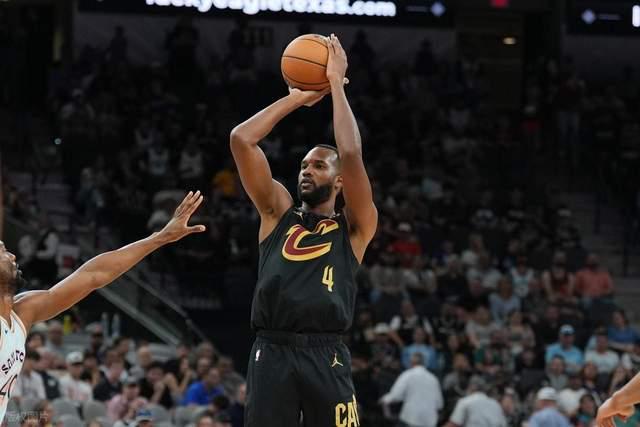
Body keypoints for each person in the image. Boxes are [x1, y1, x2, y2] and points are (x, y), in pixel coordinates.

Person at [230, 34, 377, 427]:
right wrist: (297, 98)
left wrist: (335, 86)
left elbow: (351, 153)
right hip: (271, 349)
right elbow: (242, 139)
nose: (307, 171)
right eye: (303, 165)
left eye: (318, 166)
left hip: (326, 352)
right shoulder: (277, 212)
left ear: (340, 181)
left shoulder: (355, 227)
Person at [0, 191, 205, 423]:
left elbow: (93, 275)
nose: (13, 255)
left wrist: (160, 238)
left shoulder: (23, 311)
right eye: (3, 251)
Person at [380, 352, 443, 427]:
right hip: (429, 421)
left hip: (411, 419)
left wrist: (384, 399)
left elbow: (396, 396)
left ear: (411, 362)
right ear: (424, 363)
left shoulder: (407, 375)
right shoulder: (433, 378)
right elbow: (439, 404)